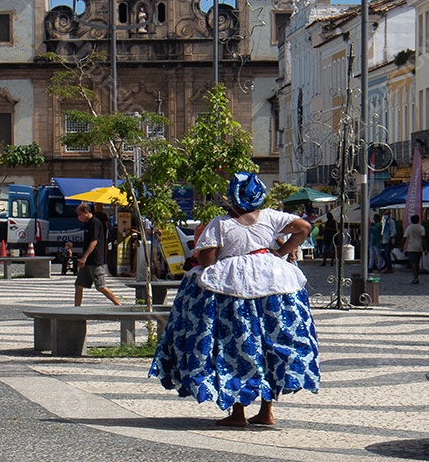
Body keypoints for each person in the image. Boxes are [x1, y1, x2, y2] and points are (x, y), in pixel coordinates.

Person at [150, 171, 321, 427]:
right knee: (269, 344)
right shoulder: (272, 217)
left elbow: (207, 259)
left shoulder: (220, 223)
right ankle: (266, 411)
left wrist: (215, 260)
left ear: (231, 197)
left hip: (233, 289)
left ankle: (238, 413)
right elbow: (304, 227)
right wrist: (280, 252)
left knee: (237, 344)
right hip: (275, 283)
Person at [74, 203, 121, 306]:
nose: (78, 216)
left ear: (86, 212)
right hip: (86, 262)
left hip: (94, 260)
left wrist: (84, 257)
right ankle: (76, 309)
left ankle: (119, 304)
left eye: (79, 214)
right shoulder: (87, 223)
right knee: (78, 285)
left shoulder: (95, 222)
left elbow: (94, 241)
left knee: (101, 286)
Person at [402, 214, 428, 284]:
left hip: (411, 247)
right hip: (419, 247)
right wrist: (426, 248)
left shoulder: (409, 228)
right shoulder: (421, 228)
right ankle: (417, 276)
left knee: (413, 263)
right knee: (417, 262)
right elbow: (423, 238)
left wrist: (402, 246)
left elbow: (405, 238)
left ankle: (415, 277)